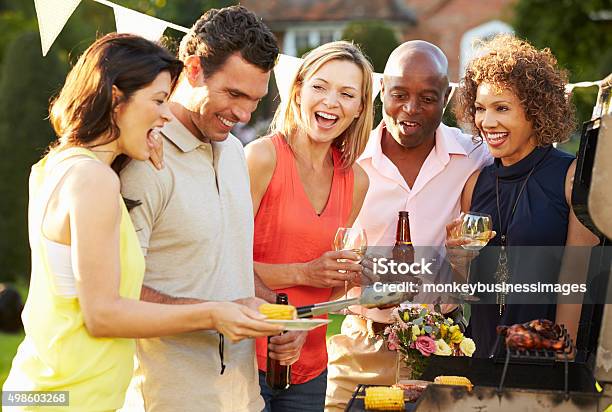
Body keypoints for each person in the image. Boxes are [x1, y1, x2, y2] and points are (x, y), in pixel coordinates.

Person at [2, 33, 282, 412]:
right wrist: (215, 312)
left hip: (45, 391)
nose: (166, 116)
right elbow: (103, 315)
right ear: (117, 99)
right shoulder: (96, 181)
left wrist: (131, 144)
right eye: (158, 101)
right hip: (69, 400)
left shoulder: (57, 167)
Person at [118, 7, 303, 412]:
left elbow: (227, 264)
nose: (242, 115)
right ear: (195, 69)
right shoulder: (144, 158)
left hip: (243, 398)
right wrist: (213, 314)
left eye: (254, 100)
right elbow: (118, 291)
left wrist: (279, 316)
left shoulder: (236, 153)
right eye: (233, 94)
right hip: (167, 399)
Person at [324, 40, 491, 411]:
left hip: (442, 350)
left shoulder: (475, 156)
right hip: (361, 346)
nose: (410, 109)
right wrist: (355, 272)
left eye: (428, 98)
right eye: (399, 94)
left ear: (447, 97)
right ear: (382, 89)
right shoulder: (345, 160)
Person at [449, 34, 599, 358]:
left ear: (535, 110)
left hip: (544, 359)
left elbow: (575, 278)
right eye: (480, 109)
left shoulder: (571, 178)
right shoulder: (475, 183)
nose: (487, 122)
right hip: (483, 357)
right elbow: (473, 288)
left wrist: (562, 359)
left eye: (501, 108)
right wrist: (458, 261)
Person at [244, 41, 374, 411]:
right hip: (245, 359)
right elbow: (222, 263)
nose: (331, 101)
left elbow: (331, 289)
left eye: (347, 94)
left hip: (311, 365)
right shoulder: (261, 157)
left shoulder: (357, 181)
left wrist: (353, 280)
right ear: (298, 89)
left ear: (360, 108)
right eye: (320, 86)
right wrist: (305, 271)